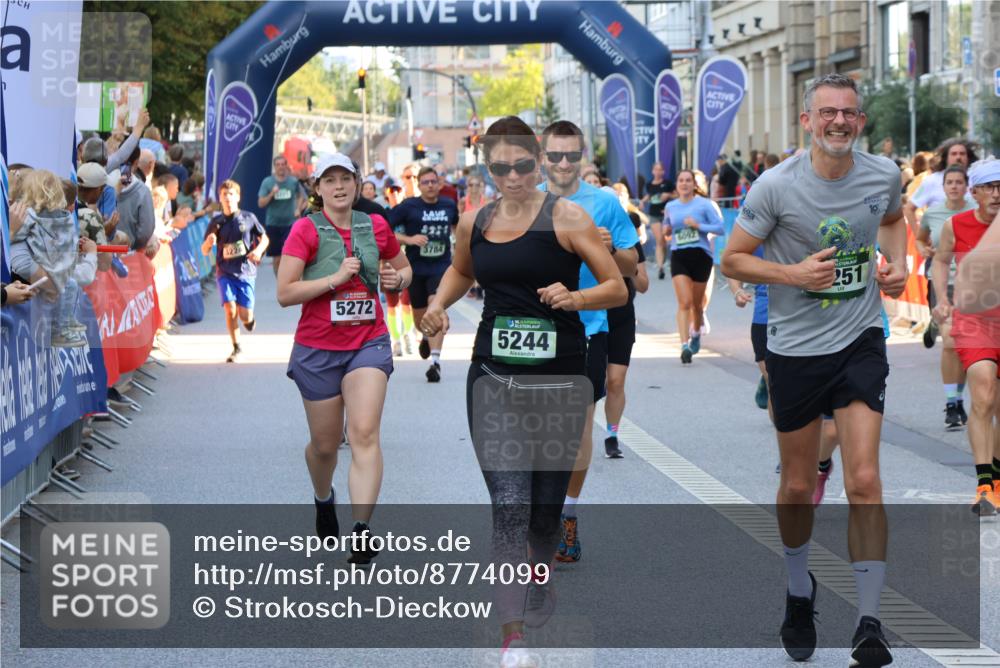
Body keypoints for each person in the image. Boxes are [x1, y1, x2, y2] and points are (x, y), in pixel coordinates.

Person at [419, 115, 626, 665]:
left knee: (543, 516)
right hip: (493, 379)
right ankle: (512, 637)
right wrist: (437, 306)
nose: (512, 177)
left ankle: (541, 570)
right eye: (500, 168)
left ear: (538, 159)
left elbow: (617, 287)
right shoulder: (475, 221)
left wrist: (575, 298)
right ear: (486, 167)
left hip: (559, 381)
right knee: (509, 506)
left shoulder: (567, 217)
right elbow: (461, 272)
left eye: (523, 165)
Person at [721, 73, 908, 667]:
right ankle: (799, 589)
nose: (839, 122)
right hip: (796, 349)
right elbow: (733, 258)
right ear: (807, 121)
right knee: (799, 486)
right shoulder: (776, 186)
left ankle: (869, 622)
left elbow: (893, 220)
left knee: (865, 479)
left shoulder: (882, 174)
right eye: (827, 112)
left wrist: (897, 266)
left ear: (861, 122)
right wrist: (793, 275)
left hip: (860, 339)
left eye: (849, 113)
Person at [276, 153, 411, 564]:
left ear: (356, 183)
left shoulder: (376, 225)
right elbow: (285, 292)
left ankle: (362, 529)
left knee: (364, 433)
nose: (339, 186)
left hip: (368, 341)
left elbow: (404, 269)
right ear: (317, 188)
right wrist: (333, 279)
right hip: (318, 348)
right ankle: (323, 497)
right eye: (330, 180)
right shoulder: (305, 229)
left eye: (346, 179)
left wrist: (396, 279)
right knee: (325, 445)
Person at [538, 120, 638, 564]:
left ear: (582, 157)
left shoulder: (605, 203)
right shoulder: (525, 203)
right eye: (555, 155)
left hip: (589, 326)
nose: (563, 164)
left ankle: (568, 514)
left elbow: (632, 265)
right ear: (542, 157)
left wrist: (610, 249)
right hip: (535, 329)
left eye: (571, 155)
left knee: (577, 428)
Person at [930, 158, 1000, 515]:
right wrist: (942, 299)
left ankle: (997, 479)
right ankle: (984, 484)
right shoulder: (955, 225)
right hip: (974, 321)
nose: (996, 194)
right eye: (989, 187)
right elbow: (941, 261)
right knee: (984, 393)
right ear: (975, 192)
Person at [388, 166, 459, 382]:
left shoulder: (449, 205)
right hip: (416, 269)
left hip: (441, 267)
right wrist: (409, 240)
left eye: (433, 181)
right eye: (425, 182)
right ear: (419, 185)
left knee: (435, 307)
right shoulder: (409, 206)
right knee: (420, 320)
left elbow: (457, 227)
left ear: (439, 184)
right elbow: (386, 230)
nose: (430, 185)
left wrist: (460, 248)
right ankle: (426, 337)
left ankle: (435, 363)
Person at [917, 165, 975, 427]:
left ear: (966, 186)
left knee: (962, 343)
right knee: (950, 341)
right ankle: (952, 404)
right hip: (942, 282)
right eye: (949, 182)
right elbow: (920, 238)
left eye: (958, 182)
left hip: (971, 284)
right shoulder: (933, 213)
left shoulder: (976, 210)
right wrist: (923, 248)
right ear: (943, 187)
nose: (954, 186)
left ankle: (959, 399)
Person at [201, 180, 269, 363]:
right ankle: (236, 347)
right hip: (225, 272)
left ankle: (249, 320)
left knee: (244, 316)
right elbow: (204, 250)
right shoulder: (216, 222)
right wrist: (208, 243)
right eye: (224, 194)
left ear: (238, 197)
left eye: (231, 194)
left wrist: (258, 251)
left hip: (246, 272)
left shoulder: (248, 217)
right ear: (220, 198)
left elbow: (264, 239)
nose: (228, 198)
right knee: (230, 308)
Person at [664, 169, 725, 363]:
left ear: (694, 184)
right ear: (676, 184)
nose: (684, 183)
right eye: (681, 180)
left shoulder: (705, 204)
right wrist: (667, 230)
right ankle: (684, 345)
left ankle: (696, 334)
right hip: (679, 255)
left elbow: (720, 228)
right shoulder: (671, 206)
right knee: (684, 302)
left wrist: (698, 226)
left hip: (701, 256)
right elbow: (667, 229)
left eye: (688, 180)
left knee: (697, 305)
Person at [604, 210, 649, 459]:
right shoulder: (582, 233)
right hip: (590, 315)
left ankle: (612, 435)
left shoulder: (628, 241)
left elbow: (643, 285)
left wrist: (627, 267)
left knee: (616, 381)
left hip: (622, 315)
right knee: (591, 381)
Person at [258, 156, 307, 276]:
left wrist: (298, 209)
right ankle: (280, 281)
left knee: (290, 255)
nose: (280, 167)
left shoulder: (293, 182)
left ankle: (291, 279)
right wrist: (271, 194)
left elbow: (302, 197)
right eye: (278, 164)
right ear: (275, 167)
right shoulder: (268, 182)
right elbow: (260, 203)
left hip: (290, 224)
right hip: (273, 224)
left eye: (283, 164)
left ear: (286, 166)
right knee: (277, 258)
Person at [640, 161, 676, 280]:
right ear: (652, 171)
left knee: (664, 240)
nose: (658, 172)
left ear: (663, 171)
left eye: (660, 169)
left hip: (667, 214)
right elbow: (650, 195)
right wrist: (643, 201)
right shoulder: (649, 184)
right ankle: (660, 267)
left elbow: (677, 195)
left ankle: (663, 262)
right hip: (654, 214)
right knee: (659, 239)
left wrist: (668, 195)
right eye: (656, 169)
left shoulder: (668, 183)